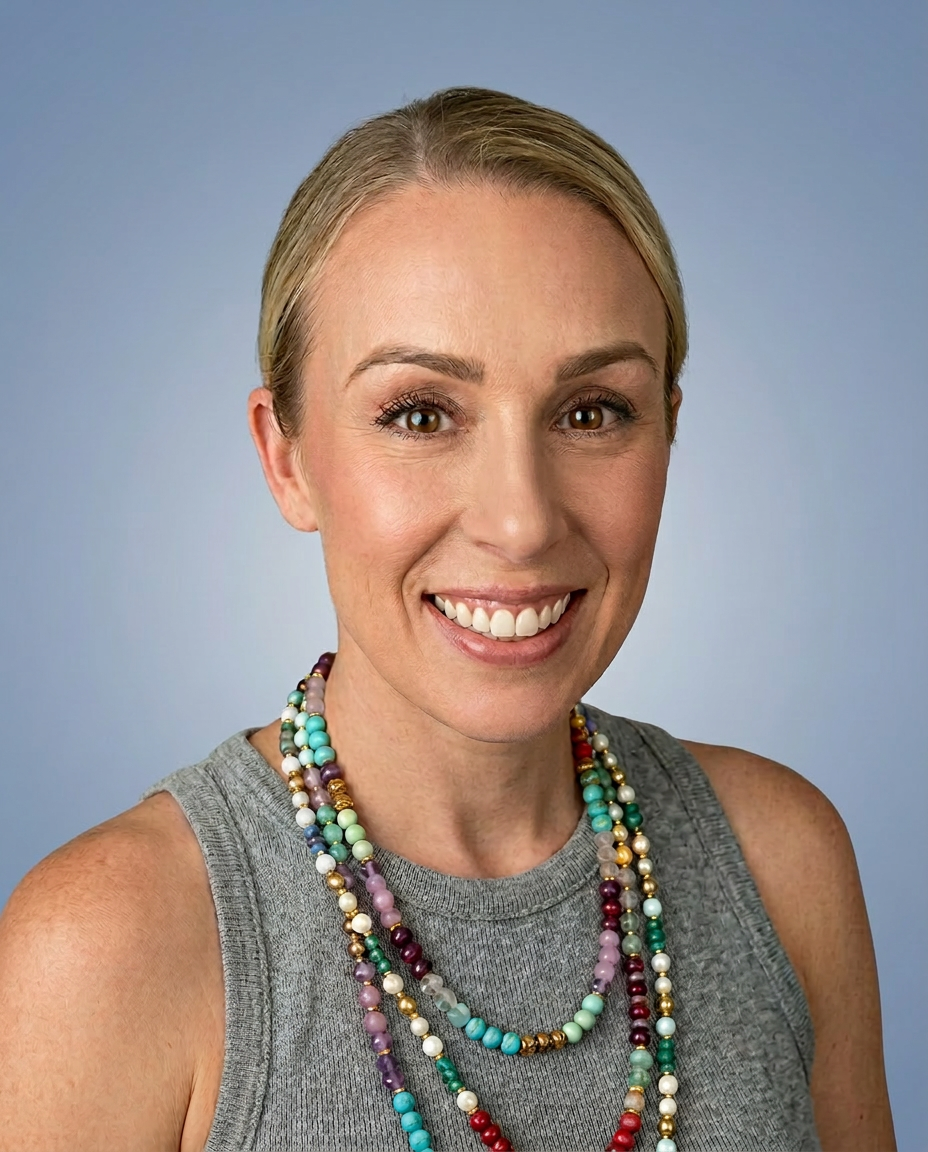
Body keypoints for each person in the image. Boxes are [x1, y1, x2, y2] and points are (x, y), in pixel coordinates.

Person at [0, 88, 895, 1152]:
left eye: (591, 411)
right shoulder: (109, 944)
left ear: (667, 435)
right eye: (419, 413)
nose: (519, 521)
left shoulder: (779, 861)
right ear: (285, 458)